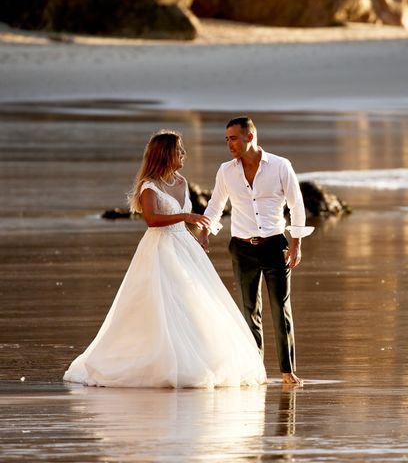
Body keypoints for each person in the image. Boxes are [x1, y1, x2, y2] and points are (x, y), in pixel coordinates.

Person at [63, 130, 266, 388]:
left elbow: (184, 216)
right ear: (166, 154)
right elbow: (152, 221)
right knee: (161, 304)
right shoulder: (149, 185)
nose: (184, 154)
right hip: (160, 248)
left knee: (195, 303)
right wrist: (186, 218)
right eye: (179, 150)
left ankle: (198, 358)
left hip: (185, 246)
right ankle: (157, 360)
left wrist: (198, 234)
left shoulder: (181, 181)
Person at [198, 117, 313, 385]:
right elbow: (216, 205)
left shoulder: (281, 166)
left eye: (233, 138)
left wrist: (296, 243)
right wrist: (205, 231)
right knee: (249, 311)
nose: (229, 144)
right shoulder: (226, 171)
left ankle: (287, 371)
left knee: (280, 309)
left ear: (250, 137)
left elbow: (296, 205)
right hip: (241, 249)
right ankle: (254, 370)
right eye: (226, 139)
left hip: (275, 245)